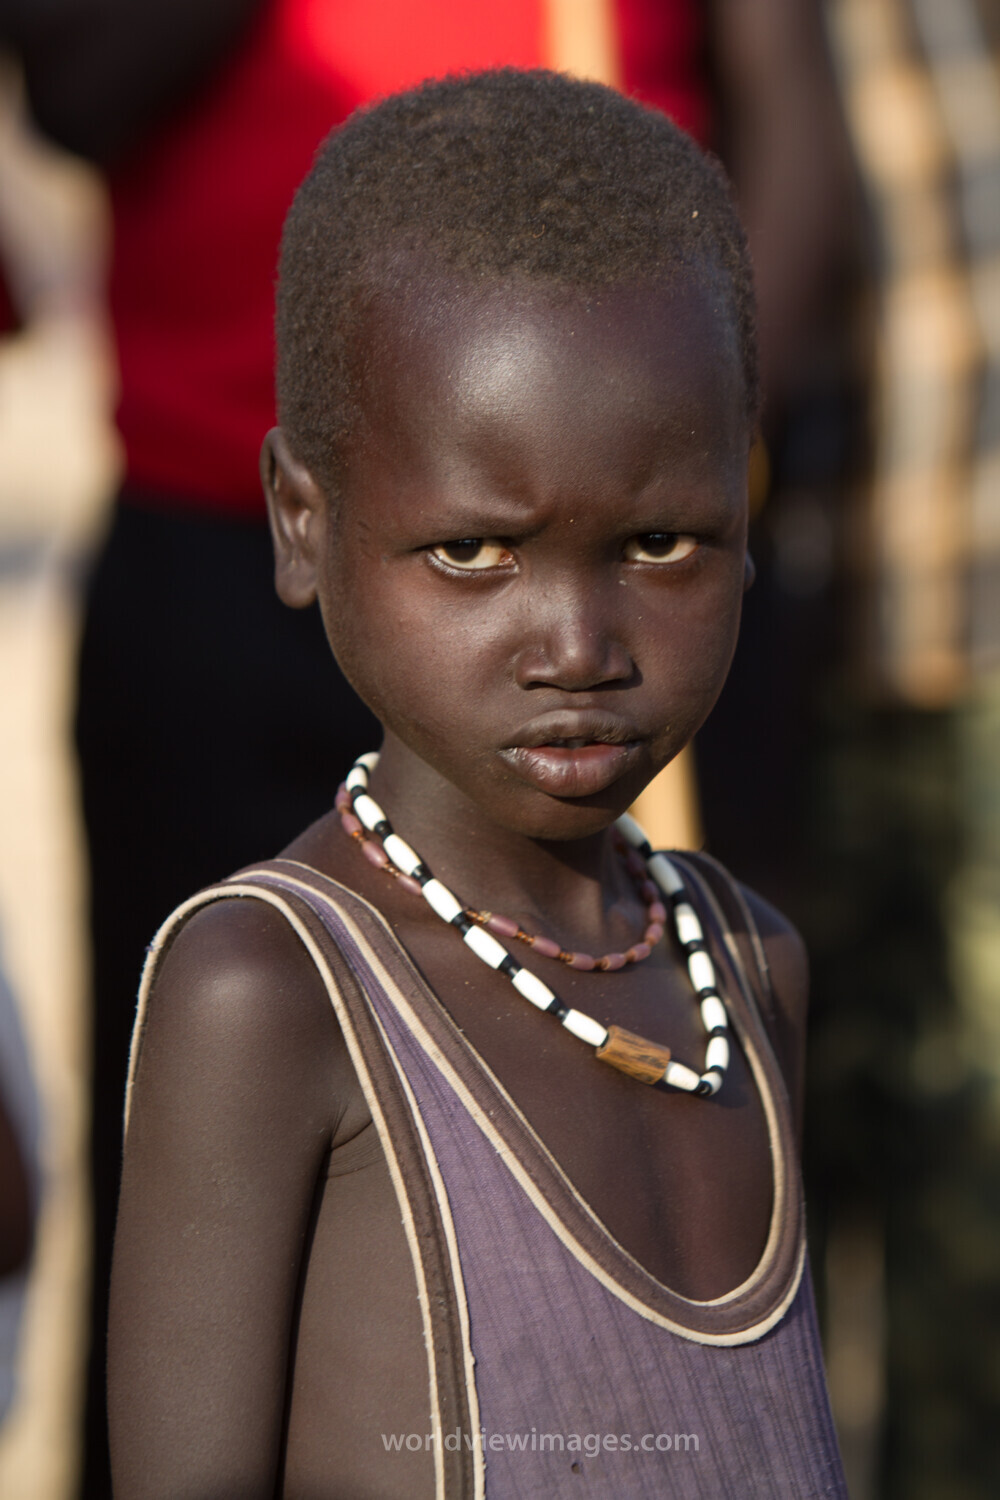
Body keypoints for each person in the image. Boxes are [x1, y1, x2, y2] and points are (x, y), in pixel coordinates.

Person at [107, 69, 846, 1496]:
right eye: (472, 553)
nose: (578, 647)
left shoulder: (747, 971)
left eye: (659, 545)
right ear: (302, 524)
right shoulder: (272, 992)